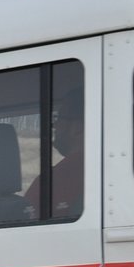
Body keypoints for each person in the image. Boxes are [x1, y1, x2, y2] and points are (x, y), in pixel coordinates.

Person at [25, 87, 84, 219]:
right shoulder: (111, 168)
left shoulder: (52, 182)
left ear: (78, 127)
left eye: (60, 118)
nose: (54, 125)